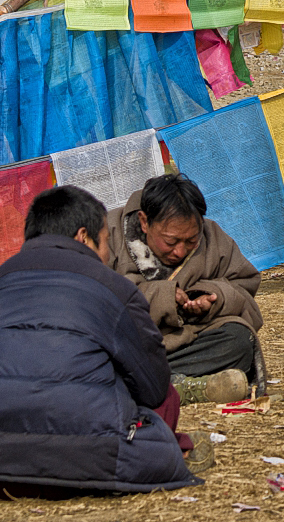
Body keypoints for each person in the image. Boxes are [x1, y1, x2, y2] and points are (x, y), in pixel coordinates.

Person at [0, 186, 208, 497]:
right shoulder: (114, 288)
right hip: (88, 460)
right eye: (105, 243)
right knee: (165, 395)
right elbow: (153, 387)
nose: (108, 255)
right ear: (83, 237)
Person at [109, 173, 263, 405]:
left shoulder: (213, 238)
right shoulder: (108, 234)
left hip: (184, 348)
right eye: (170, 242)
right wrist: (162, 297)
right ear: (144, 221)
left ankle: (152, 382)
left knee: (239, 341)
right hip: (128, 348)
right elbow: (96, 299)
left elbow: (244, 290)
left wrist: (213, 297)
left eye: (191, 241)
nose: (180, 252)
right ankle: (167, 384)